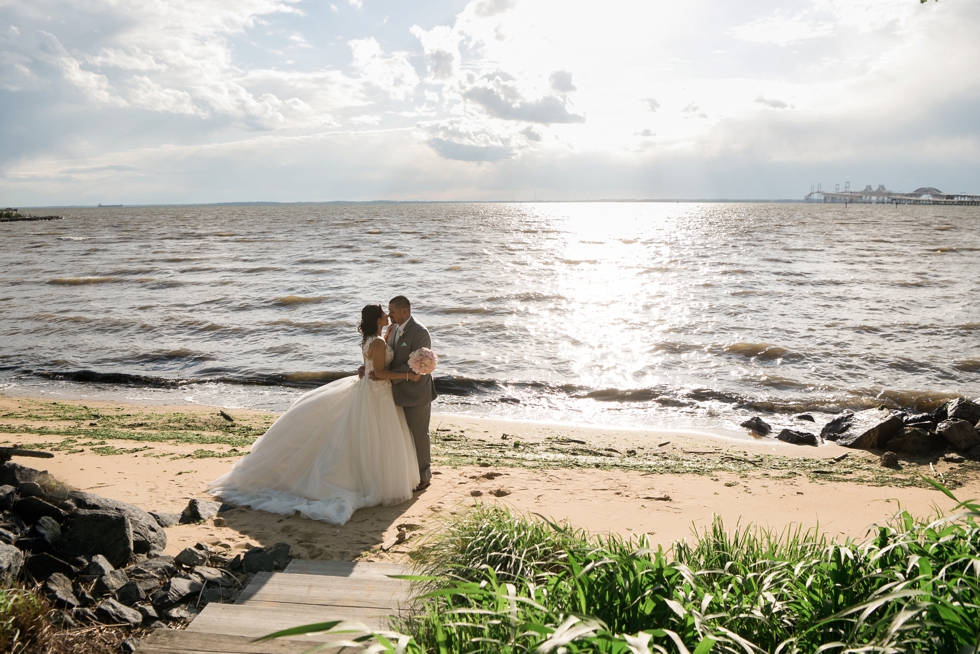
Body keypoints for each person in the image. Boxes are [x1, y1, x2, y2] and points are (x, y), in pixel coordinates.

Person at [206, 304, 421, 525]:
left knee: (368, 437)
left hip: (373, 390)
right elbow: (379, 372)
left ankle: (374, 479)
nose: (387, 315)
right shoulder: (377, 341)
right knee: (376, 437)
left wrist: (366, 369)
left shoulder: (372, 339)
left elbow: (370, 367)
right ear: (377, 319)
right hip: (376, 393)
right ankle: (375, 482)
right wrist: (407, 376)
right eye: (384, 313)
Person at [362, 296, 437, 489]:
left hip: (415, 392)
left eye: (393, 312)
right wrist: (369, 368)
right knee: (403, 436)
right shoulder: (392, 329)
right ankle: (408, 474)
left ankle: (424, 476)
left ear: (404, 311)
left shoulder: (420, 332)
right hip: (393, 391)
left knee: (418, 434)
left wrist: (383, 374)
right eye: (387, 312)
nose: (389, 315)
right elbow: (381, 358)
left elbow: (417, 364)